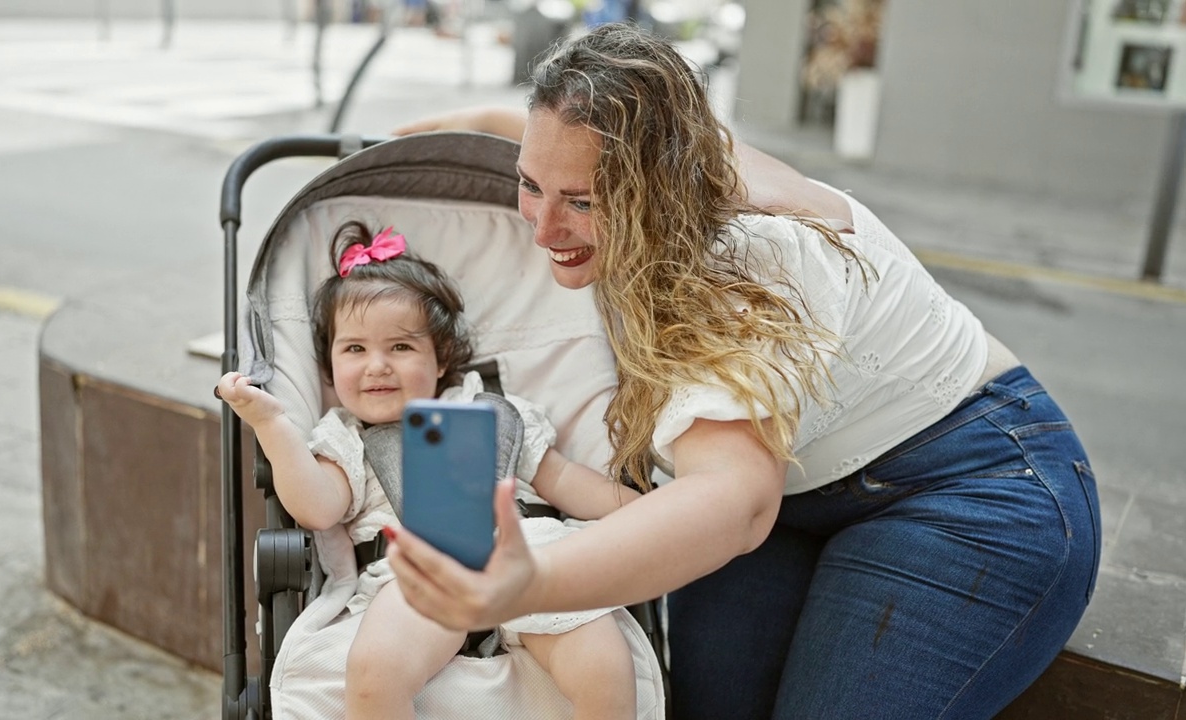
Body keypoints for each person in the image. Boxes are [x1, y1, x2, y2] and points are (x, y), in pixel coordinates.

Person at [386, 23, 1101, 720]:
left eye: (581, 202)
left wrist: (530, 585)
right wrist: (444, 127)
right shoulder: (666, 147)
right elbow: (546, 134)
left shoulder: (747, 260)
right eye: (531, 186)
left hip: (969, 485)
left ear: (657, 190)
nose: (543, 229)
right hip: (804, 491)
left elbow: (737, 498)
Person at [216, 220, 641, 720]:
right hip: (413, 576)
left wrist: (657, 511)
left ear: (440, 361)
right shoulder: (344, 438)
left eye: (401, 347)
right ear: (329, 368)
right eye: (355, 349)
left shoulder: (492, 412)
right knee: (373, 671)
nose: (377, 365)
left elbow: (567, 482)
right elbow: (315, 507)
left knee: (604, 666)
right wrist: (273, 423)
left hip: (530, 556)